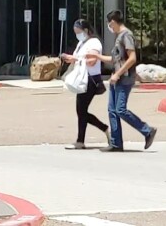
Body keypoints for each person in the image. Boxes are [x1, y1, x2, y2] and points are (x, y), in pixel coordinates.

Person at [85, 10, 158, 152]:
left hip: (124, 78)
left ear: (113, 21)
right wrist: (98, 57)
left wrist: (117, 74)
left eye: (109, 23)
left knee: (120, 109)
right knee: (112, 110)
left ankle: (147, 130)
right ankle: (116, 143)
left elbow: (132, 58)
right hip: (116, 78)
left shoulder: (126, 35)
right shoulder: (119, 37)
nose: (109, 27)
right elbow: (115, 59)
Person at [61, 20, 110, 150]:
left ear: (86, 30)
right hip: (83, 79)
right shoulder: (81, 43)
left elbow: (92, 61)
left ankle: (82, 140)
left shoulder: (94, 43)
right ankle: (98, 131)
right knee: (81, 110)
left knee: (81, 110)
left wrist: (75, 59)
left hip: (91, 79)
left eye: (79, 32)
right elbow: (81, 59)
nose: (78, 35)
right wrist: (71, 58)